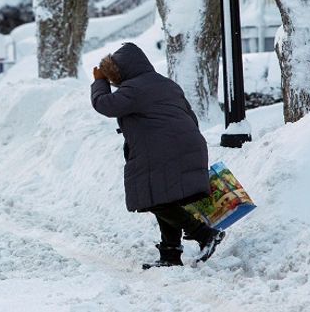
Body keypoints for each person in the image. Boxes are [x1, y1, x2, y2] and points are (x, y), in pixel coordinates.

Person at [90, 42, 224, 268]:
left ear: (121, 71)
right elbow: (190, 116)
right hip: (187, 145)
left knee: (154, 199)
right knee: (163, 197)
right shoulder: (166, 84)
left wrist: (99, 82)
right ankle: (170, 255)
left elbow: (104, 105)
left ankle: (204, 234)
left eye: (113, 76)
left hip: (165, 150)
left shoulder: (134, 89)